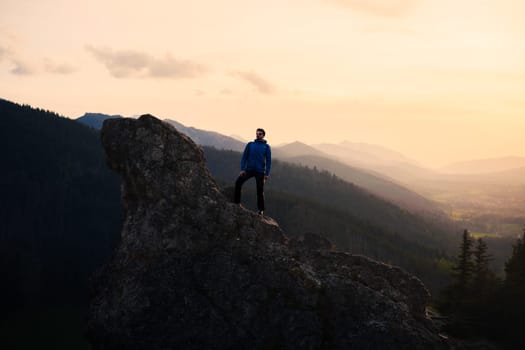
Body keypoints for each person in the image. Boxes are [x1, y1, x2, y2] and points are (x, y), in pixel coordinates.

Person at [234, 128, 272, 216]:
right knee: (238, 182)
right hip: (249, 170)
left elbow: (269, 161)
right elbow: (244, 157)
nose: (257, 135)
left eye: (259, 134)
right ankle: (237, 203)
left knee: (260, 191)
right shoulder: (250, 144)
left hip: (260, 172)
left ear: (263, 135)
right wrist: (242, 169)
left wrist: (266, 174)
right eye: (257, 133)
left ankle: (261, 210)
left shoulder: (266, 147)